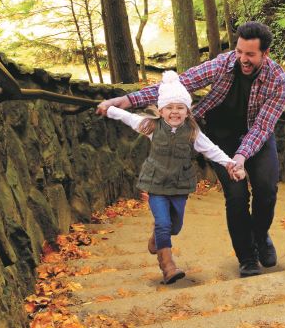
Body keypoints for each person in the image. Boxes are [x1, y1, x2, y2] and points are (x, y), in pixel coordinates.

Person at [97, 21, 285, 277]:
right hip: (220, 136)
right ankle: (247, 257)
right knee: (236, 195)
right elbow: (178, 85)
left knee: (266, 189)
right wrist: (127, 100)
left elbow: (262, 127)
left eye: (250, 55)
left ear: (265, 54)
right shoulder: (224, 64)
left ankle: (260, 233)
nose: (242, 59)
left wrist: (242, 156)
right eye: (239, 51)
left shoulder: (279, 82)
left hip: (257, 136)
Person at [96, 71, 244, 284]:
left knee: (175, 226)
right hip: (156, 184)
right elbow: (129, 118)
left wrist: (230, 163)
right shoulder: (151, 126)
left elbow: (211, 150)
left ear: (187, 111)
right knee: (164, 223)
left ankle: (157, 238)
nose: (175, 112)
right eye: (170, 108)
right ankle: (168, 267)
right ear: (161, 110)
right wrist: (109, 109)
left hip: (179, 185)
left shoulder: (192, 132)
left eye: (180, 108)